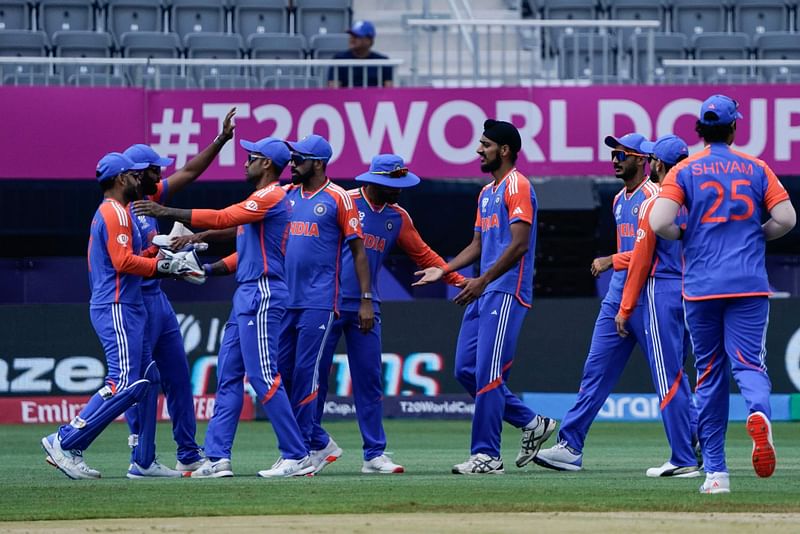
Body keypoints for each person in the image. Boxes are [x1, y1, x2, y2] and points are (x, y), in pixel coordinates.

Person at [133, 137, 315, 478]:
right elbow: (237, 233)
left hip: (262, 292)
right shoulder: (260, 199)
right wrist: (200, 251)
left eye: (251, 157)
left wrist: (167, 212)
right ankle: (217, 457)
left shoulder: (271, 195)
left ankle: (297, 455)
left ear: (265, 164)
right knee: (229, 376)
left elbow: (223, 217)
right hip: (246, 292)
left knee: (263, 375)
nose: (245, 162)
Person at [650, 94, 796, 494]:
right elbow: (786, 218)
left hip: (700, 286)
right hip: (748, 283)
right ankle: (759, 414)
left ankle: (716, 473)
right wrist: (756, 234)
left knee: (710, 375)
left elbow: (660, 221)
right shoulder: (756, 167)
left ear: (699, 129)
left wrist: (684, 235)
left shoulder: (684, 170)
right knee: (750, 366)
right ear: (734, 128)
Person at [41, 153, 198, 479]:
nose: (137, 180)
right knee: (123, 382)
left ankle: (143, 461)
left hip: (126, 304)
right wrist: (164, 266)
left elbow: (134, 257)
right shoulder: (114, 212)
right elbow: (123, 262)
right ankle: (65, 440)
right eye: (131, 175)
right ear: (120, 179)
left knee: (148, 378)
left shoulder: (118, 211)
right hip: (116, 305)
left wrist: (165, 249)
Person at [414, 120, 555, 475]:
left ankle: (487, 456)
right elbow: (478, 245)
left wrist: (483, 280)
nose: (479, 150)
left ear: (504, 150)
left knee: (489, 374)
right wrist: (445, 270)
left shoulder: (518, 186)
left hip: (507, 291)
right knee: (465, 369)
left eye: (486, 145)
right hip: (485, 290)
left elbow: (520, 244)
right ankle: (531, 422)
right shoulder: (486, 192)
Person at [312, 154, 465, 474]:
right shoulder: (343, 201)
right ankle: (310, 447)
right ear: (374, 181)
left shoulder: (397, 216)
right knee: (315, 380)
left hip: (367, 308)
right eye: (394, 185)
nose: (400, 191)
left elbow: (424, 254)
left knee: (369, 381)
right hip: (326, 304)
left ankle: (374, 455)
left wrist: (461, 280)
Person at [533, 133, 660, 472]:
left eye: (621, 154)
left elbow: (653, 253)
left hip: (649, 297)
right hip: (616, 297)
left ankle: (695, 443)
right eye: (613, 154)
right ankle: (570, 446)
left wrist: (611, 260)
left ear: (641, 159)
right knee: (594, 373)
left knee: (667, 377)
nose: (615, 159)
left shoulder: (655, 196)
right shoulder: (619, 199)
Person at [121, 107, 236, 477]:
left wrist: (220, 140)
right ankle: (141, 457)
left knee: (178, 377)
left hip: (158, 299)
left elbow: (190, 172)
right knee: (138, 383)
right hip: (133, 302)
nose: (162, 174)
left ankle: (188, 452)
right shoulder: (115, 210)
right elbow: (124, 261)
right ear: (136, 174)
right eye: (155, 169)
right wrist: (162, 250)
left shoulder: (151, 195)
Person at [279, 134, 373, 474]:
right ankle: (317, 442)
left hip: (319, 301)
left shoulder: (339, 198)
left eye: (298, 159)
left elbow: (359, 252)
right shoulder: (286, 195)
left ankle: (300, 450)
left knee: (306, 375)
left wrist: (365, 300)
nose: (292, 164)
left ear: (317, 163)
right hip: (285, 300)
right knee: (283, 375)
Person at [612, 134, 701, 478]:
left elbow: (641, 261)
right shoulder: (696, 200)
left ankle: (682, 457)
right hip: (691, 291)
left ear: (657, 164)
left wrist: (625, 307)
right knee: (683, 374)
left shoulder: (656, 204)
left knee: (668, 378)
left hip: (660, 290)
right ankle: (701, 445)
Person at [327, 20, 393, 88]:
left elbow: (389, 91)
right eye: (351, 35)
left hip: (375, 98)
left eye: (357, 36)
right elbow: (333, 91)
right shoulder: (339, 59)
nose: (352, 39)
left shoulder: (383, 62)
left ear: (370, 40)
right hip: (346, 98)